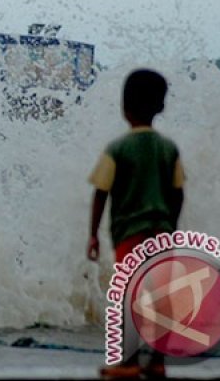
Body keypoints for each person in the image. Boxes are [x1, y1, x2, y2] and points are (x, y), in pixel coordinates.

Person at [87, 68, 185, 379]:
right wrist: (171, 224)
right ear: (161, 107)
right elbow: (178, 192)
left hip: (130, 236)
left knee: (129, 295)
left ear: (124, 108)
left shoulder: (118, 149)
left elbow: (101, 193)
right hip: (162, 234)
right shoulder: (169, 148)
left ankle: (127, 362)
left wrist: (93, 235)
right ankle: (157, 361)